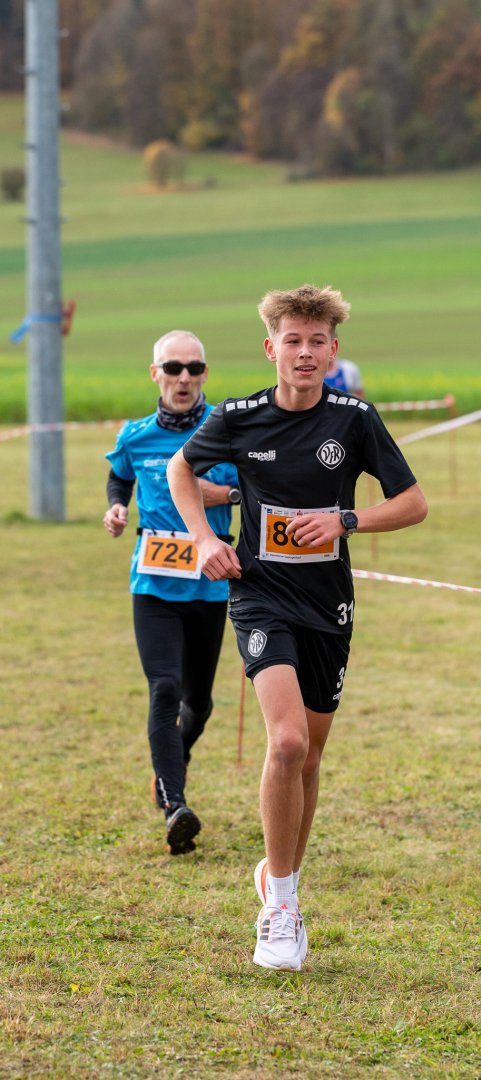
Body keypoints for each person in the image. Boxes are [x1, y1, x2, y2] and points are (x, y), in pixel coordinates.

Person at [167, 284, 427, 970]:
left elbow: (413, 503)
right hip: (260, 597)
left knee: (309, 758)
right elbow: (180, 470)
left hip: (328, 607)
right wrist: (203, 539)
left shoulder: (355, 420)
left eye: (317, 342)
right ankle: (280, 910)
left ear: (333, 351)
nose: (305, 353)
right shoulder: (239, 417)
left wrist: (347, 520)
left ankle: (278, 875)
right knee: (285, 743)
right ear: (271, 348)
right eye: (293, 341)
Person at [103, 330, 241, 855]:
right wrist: (118, 506)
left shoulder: (226, 432)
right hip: (154, 583)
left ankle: (171, 763)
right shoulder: (136, 435)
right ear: (155, 374)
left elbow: (254, 489)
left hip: (209, 584)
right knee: (164, 689)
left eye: (194, 368)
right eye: (173, 367)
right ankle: (175, 805)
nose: (184, 377)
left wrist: (223, 494)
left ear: (205, 374)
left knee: (198, 703)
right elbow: (120, 476)